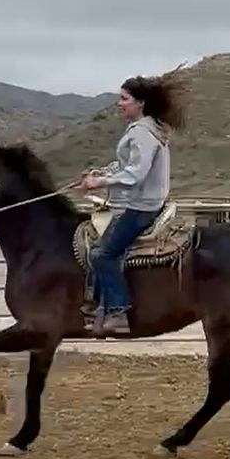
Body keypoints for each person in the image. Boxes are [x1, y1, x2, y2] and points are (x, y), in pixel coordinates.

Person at [77, 70, 188, 335]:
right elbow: (128, 165)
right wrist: (104, 172)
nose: (120, 103)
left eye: (125, 98)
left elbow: (136, 173)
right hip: (147, 203)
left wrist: (99, 183)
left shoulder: (141, 133)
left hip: (141, 207)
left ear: (140, 103)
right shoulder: (148, 129)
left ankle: (117, 312)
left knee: (102, 254)